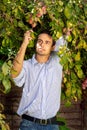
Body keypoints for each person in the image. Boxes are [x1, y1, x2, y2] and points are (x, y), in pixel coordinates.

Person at [11, 30, 64, 130]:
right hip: (29, 124)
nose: (42, 45)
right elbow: (14, 74)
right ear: (35, 43)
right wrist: (25, 43)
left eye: (47, 42)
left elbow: (64, 36)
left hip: (52, 125)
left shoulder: (57, 62)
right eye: (39, 41)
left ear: (53, 47)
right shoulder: (26, 65)